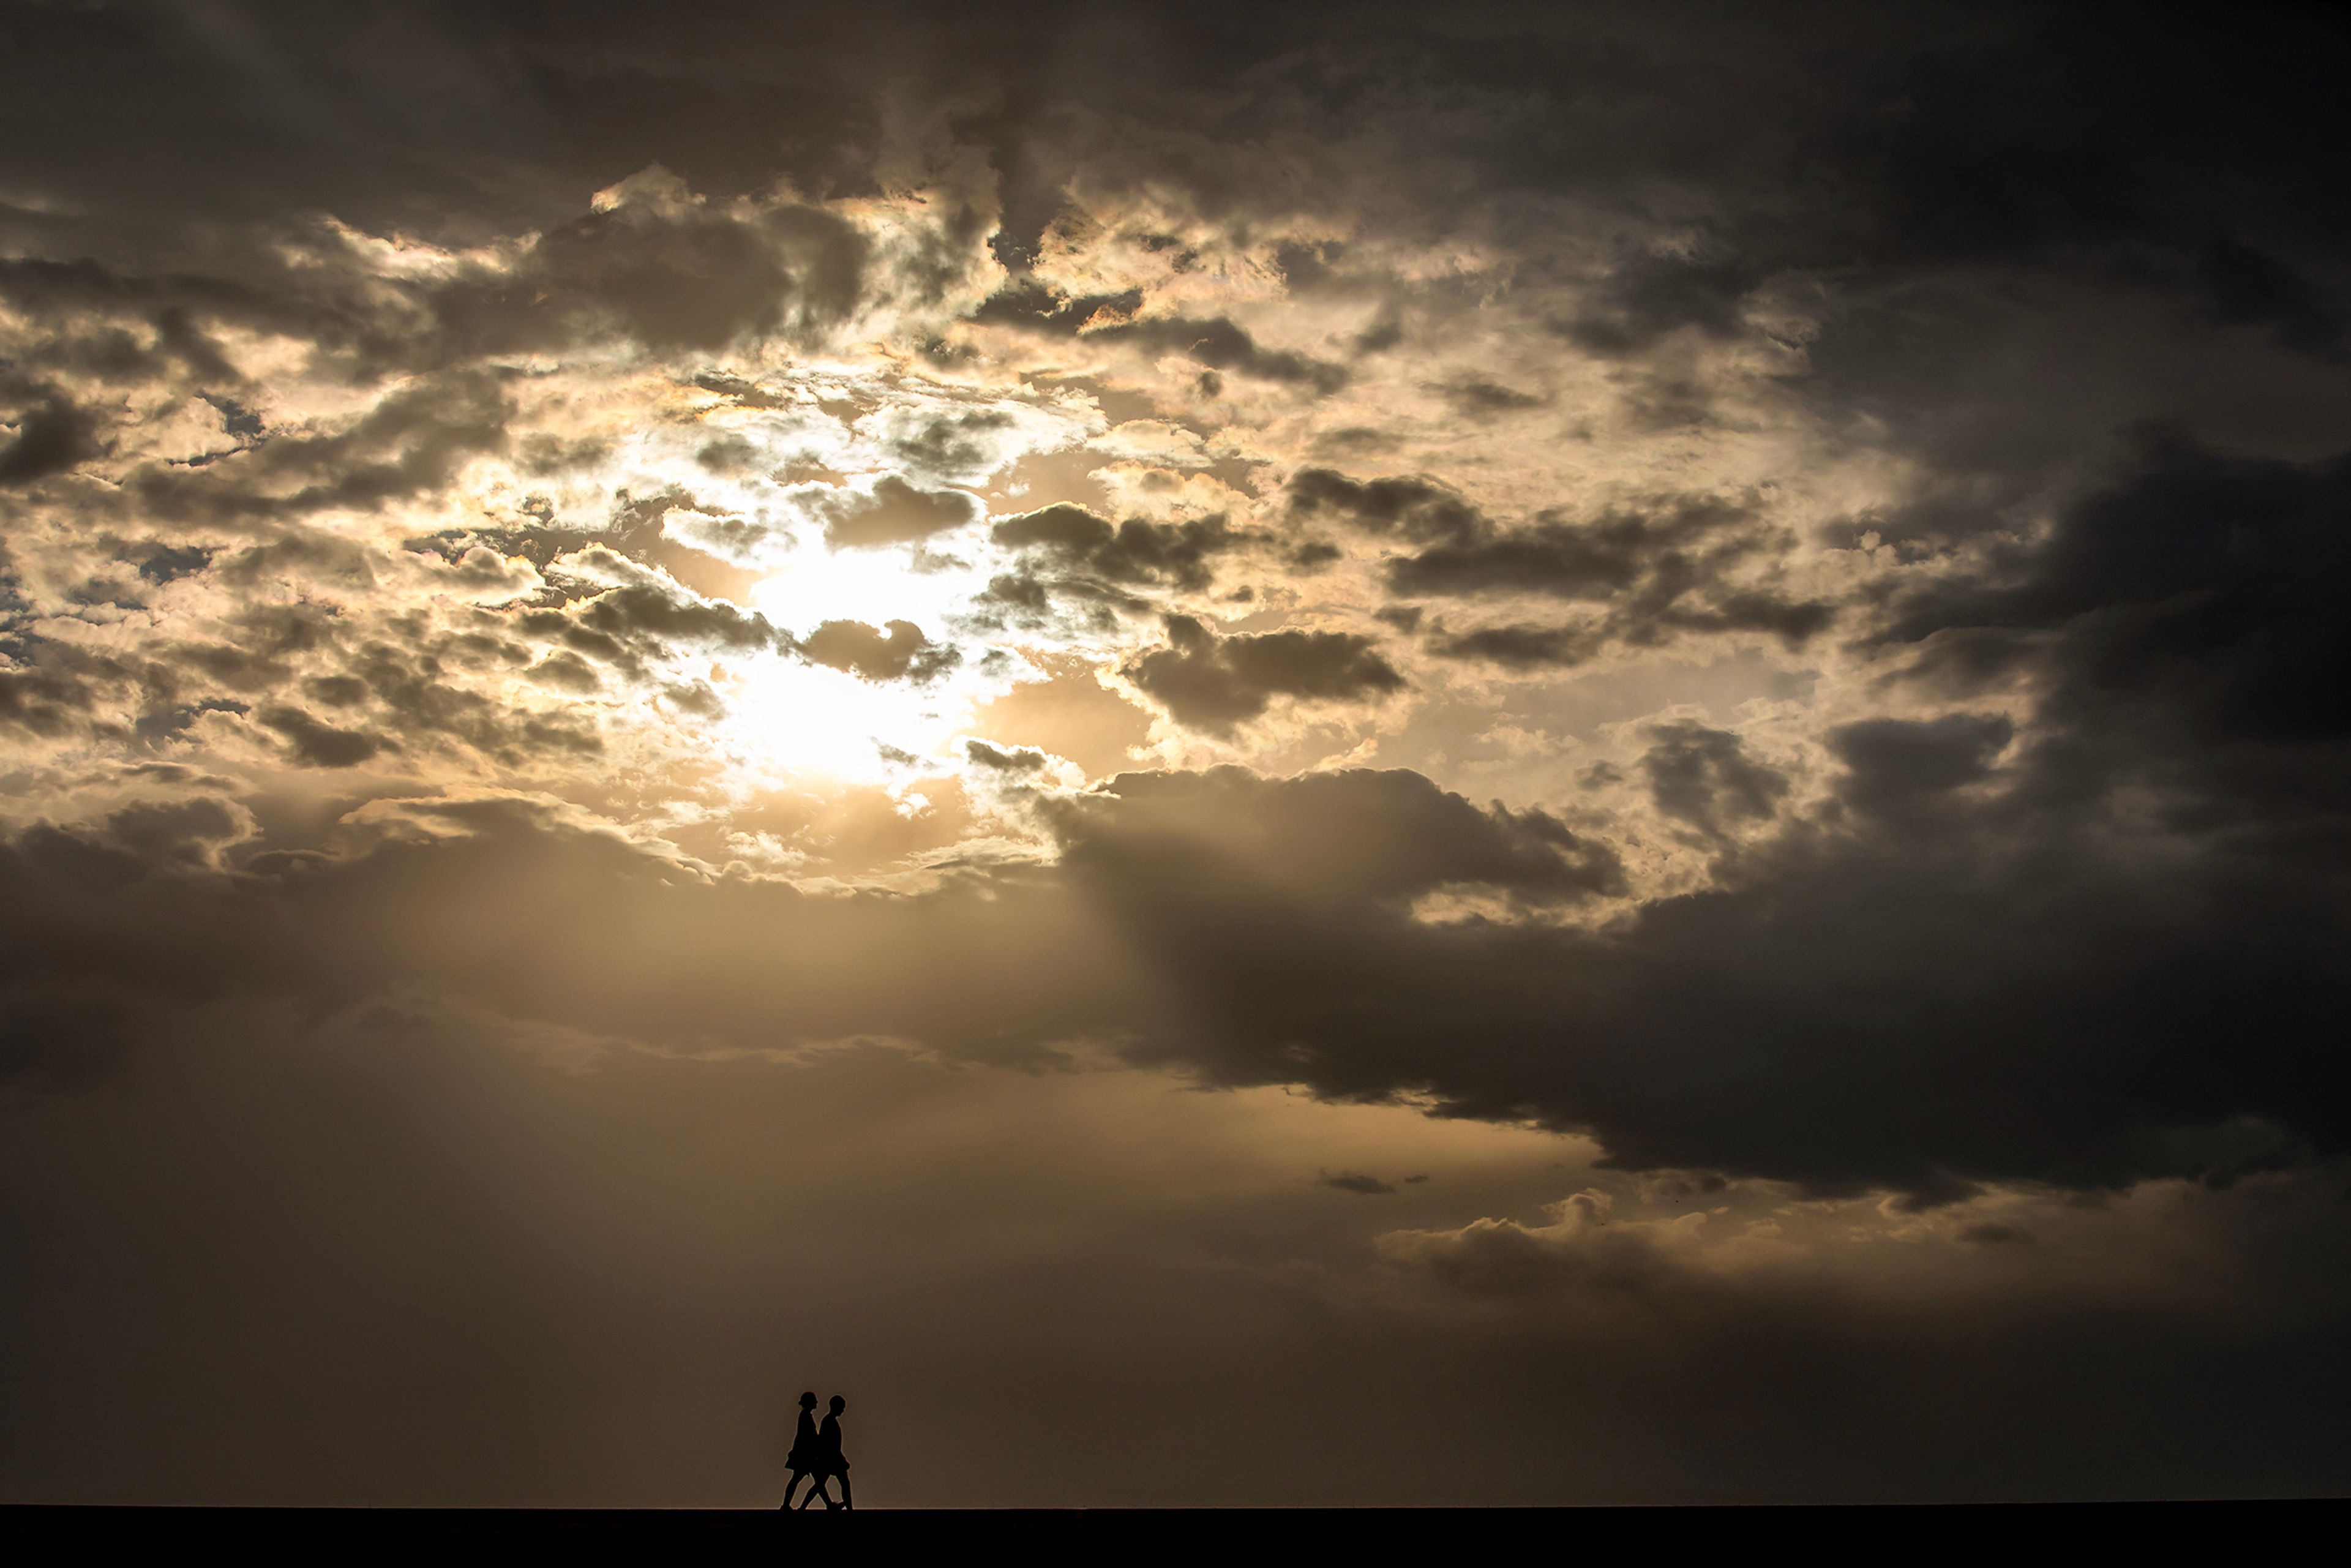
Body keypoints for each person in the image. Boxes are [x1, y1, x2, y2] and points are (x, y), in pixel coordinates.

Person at [781, 1391, 825, 1510]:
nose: (817, 1403)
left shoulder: (805, 1415)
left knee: (806, 1479)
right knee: (817, 1481)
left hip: (805, 1454)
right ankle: (787, 1505)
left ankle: (786, 1505)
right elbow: (809, 1436)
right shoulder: (805, 1416)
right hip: (806, 1455)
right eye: (814, 1401)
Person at [810, 1394, 852, 1510]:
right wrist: (839, 1458)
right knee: (839, 1484)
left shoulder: (829, 1421)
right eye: (842, 1407)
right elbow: (830, 1444)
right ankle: (850, 1509)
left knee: (821, 1484)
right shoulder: (829, 1421)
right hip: (831, 1459)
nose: (843, 1410)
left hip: (832, 1458)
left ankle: (849, 1508)